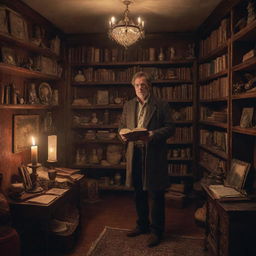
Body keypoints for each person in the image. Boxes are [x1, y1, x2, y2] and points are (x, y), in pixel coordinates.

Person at [119, 71, 174, 247]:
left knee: (156, 193)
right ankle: (142, 225)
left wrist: (153, 134)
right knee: (138, 192)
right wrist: (122, 134)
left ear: (149, 86)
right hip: (134, 153)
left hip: (154, 154)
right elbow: (122, 125)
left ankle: (157, 231)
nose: (140, 87)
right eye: (137, 85)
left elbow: (170, 128)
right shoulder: (128, 105)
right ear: (133, 87)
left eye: (143, 84)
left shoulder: (161, 104)